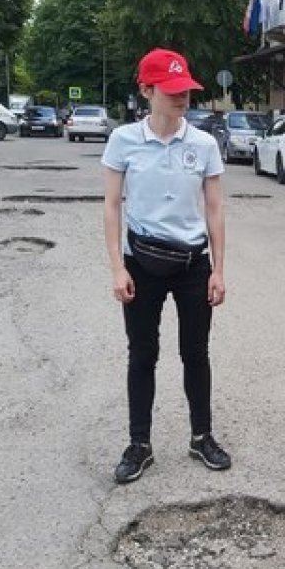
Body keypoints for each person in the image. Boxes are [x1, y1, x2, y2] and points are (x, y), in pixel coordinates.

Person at [101, 47, 231, 484]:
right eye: (171, 90)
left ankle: (201, 436)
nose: (182, 98)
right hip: (142, 262)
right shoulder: (123, 141)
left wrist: (219, 268)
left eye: (186, 90)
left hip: (194, 263)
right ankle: (140, 444)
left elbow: (214, 209)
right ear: (146, 90)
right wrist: (117, 267)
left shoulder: (204, 144)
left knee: (196, 354)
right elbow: (112, 206)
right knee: (142, 354)